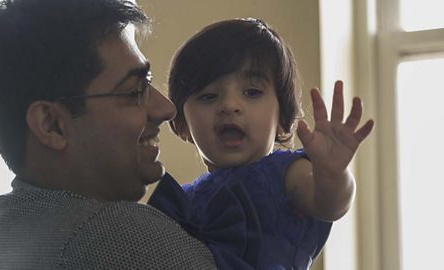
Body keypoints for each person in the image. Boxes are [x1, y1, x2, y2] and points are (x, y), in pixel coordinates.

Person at [0, 0, 218, 269]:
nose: (167, 108)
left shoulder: (15, 230)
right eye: (135, 90)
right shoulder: (117, 240)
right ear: (52, 125)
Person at [148, 18, 374, 270]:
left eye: (252, 92)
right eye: (209, 96)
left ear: (283, 120)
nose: (230, 105)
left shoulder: (287, 173)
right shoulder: (184, 204)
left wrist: (333, 175)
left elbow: (329, 203)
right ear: (182, 125)